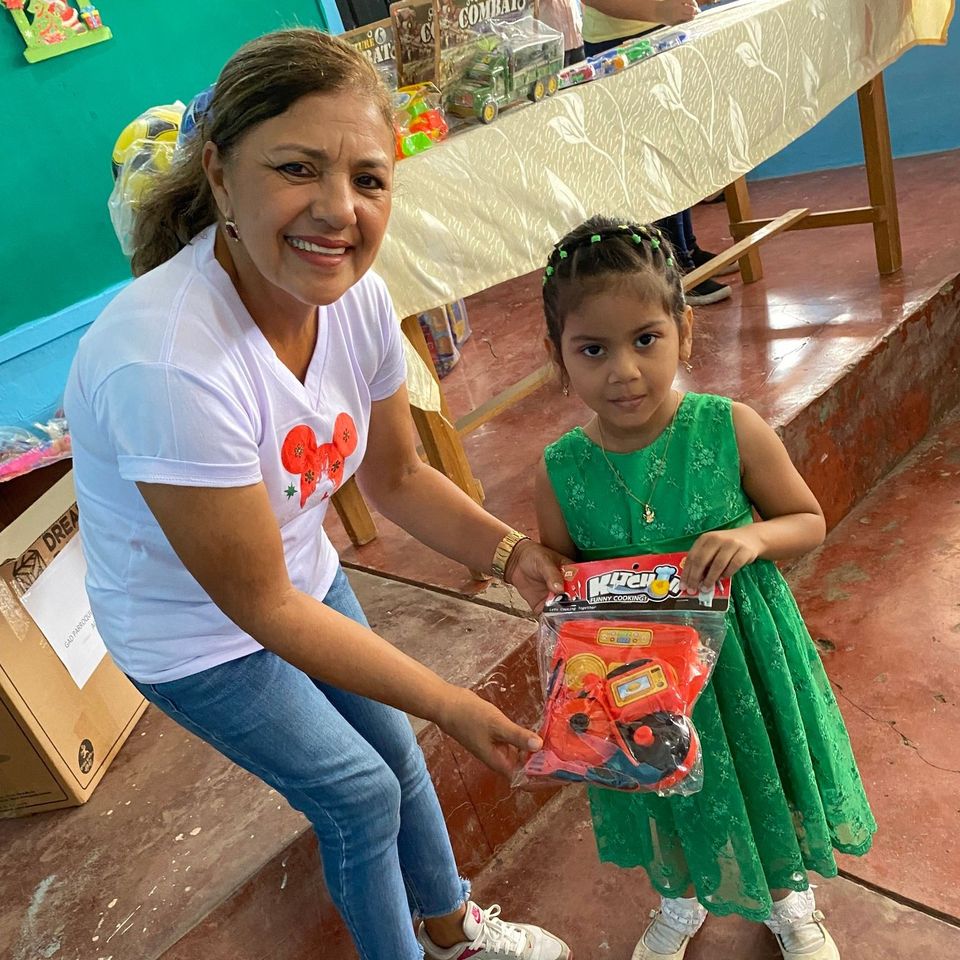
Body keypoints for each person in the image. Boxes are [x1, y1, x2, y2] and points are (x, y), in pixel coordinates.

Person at [64, 28, 572, 960]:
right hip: (193, 637)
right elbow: (260, 607)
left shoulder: (357, 300)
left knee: (395, 753)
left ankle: (453, 931)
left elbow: (398, 477)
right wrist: (452, 701)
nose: (338, 211)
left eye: (368, 179)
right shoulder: (169, 361)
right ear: (220, 175)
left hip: (298, 573)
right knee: (358, 791)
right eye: (297, 168)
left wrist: (513, 556)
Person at [534, 216, 877, 960]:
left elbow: (807, 520)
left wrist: (752, 538)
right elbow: (557, 575)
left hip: (742, 660)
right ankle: (680, 897)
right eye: (592, 349)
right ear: (558, 358)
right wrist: (545, 582)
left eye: (645, 339)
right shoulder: (559, 468)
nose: (623, 370)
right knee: (663, 789)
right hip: (634, 681)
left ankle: (789, 903)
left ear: (684, 332)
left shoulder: (730, 428)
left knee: (761, 774)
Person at [581, 0, 738, 305]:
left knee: (676, 144)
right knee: (652, 156)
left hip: (664, 27)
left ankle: (686, 248)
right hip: (620, 41)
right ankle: (670, 268)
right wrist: (658, 11)